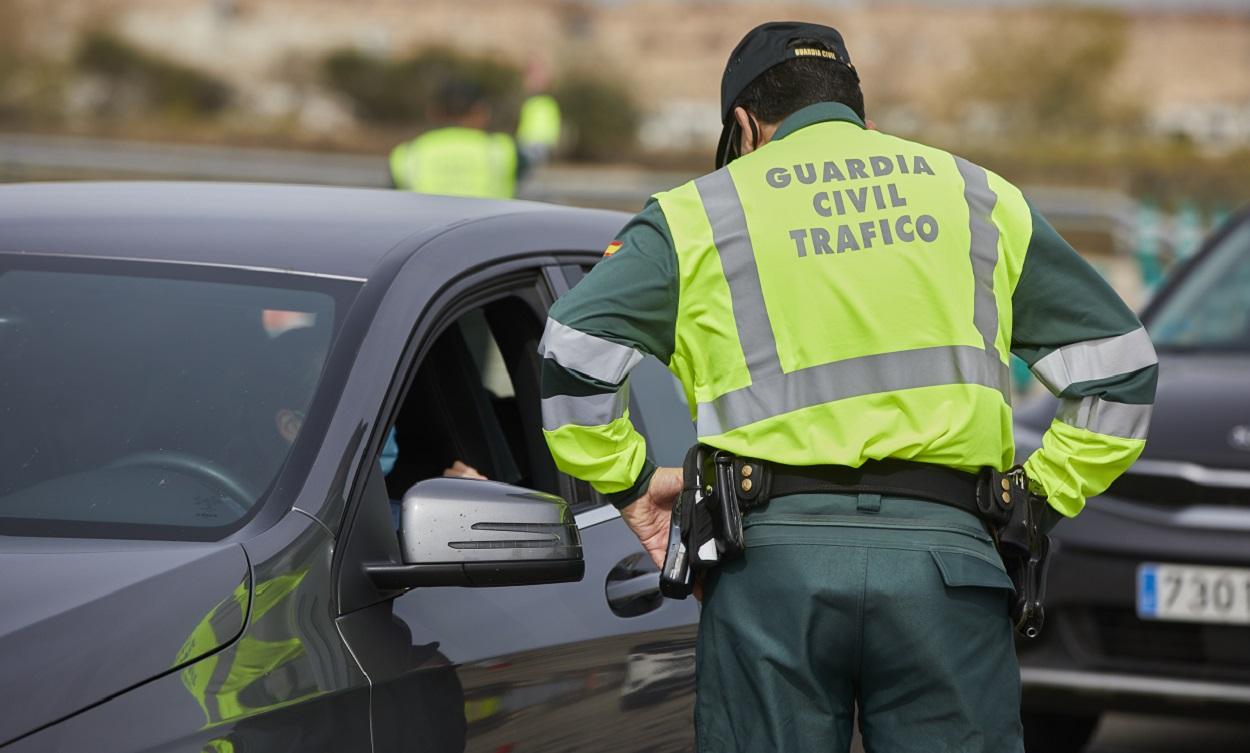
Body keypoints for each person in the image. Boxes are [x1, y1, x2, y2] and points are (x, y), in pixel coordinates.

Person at [538, 21, 1157, 753]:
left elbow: (572, 354)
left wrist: (633, 486)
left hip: (769, 569)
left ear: (744, 126)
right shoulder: (977, 198)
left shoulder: (697, 213)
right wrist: (1035, 502)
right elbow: (1121, 370)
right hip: (948, 565)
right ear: (863, 119)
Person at [389, 80, 535, 199]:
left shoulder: (407, 154)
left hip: (429, 234)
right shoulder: (503, 150)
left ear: (434, 111)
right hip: (490, 233)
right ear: (480, 112)